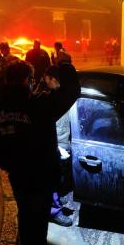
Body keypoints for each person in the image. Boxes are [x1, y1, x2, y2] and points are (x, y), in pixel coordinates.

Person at [0, 60, 80, 245]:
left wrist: (11, 164)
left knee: (26, 215)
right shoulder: (40, 105)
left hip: (18, 177)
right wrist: (64, 65)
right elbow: (72, 91)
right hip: (41, 177)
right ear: (27, 80)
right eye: (31, 79)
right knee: (38, 222)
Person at [35, 65, 74, 227]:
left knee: (58, 176)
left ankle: (59, 196)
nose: (45, 81)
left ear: (53, 79)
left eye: (46, 78)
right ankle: (54, 210)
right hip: (54, 147)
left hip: (63, 146)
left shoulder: (61, 97)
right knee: (50, 178)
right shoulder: (48, 98)